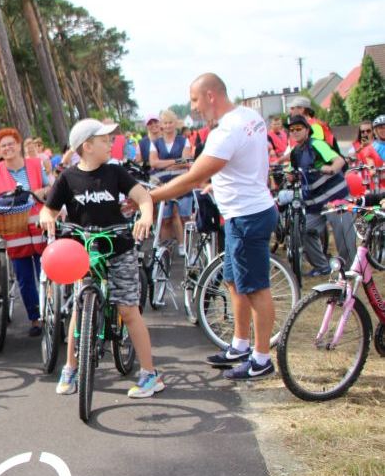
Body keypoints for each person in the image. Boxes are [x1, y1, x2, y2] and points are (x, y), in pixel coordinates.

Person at [150, 73, 278, 381]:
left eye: (194, 100)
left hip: (248, 215)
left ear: (210, 95)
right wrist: (218, 185)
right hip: (243, 210)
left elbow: (193, 176)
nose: (193, 108)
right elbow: (242, 163)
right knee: (234, 281)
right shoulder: (250, 116)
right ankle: (240, 345)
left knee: (256, 288)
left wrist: (149, 197)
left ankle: (261, 359)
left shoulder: (227, 131)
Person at [39, 118, 161, 398]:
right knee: (80, 306)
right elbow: (49, 209)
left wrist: (146, 215)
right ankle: (70, 366)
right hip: (82, 251)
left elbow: (144, 198)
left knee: (128, 309)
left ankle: (150, 374)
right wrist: (48, 220)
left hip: (118, 247)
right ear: (88, 146)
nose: (111, 143)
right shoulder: (68, 177)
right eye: (105, 139)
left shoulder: (115, 173)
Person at [0, 127, 49, 336]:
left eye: (11, 143)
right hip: (14, 231)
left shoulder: (36, 165)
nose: (8, 148)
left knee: (45, 274)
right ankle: (35, 319)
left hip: (39, 226)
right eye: (3, 146)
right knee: (24, 278)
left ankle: (51, 314)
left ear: (19, 145)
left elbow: (49, 187)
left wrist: (40, 192)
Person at [286, 114, 354, 276]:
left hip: (335, 198)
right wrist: (290, 175)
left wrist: (331, 169)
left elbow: (339, 160)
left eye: (298, 129)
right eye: (292, 130)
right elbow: (291, 171)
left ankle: (349, 270)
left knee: (343, 235)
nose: (295, 132)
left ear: (307, 130)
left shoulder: (317, 145)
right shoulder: (295, 153)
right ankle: (322, 266)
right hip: (314, 204)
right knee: (303, 229)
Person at [149, 109, 193, 255]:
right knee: (166, 219)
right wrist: (175, 161)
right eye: (165, 123)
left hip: (182, 183)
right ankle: (166, 250)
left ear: (175, 124)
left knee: (185, 217)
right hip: (163, 185)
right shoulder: (156, 143)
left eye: (170, 123)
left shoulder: (183, 140)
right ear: (162, 125)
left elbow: (187, 160)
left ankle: (187, 247)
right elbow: (153, 163)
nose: (168, 126)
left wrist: (165, 162)